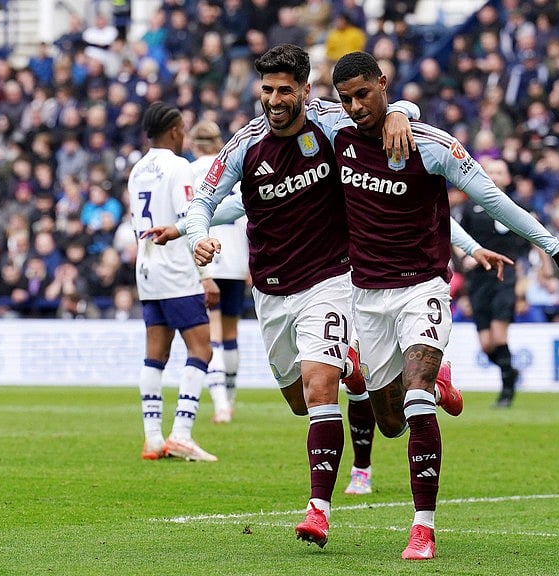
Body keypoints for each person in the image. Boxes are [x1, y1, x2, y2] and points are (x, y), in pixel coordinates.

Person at [329, 51, 559, 559]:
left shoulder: (433, 147)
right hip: (366, 294)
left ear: (382, 83)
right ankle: (440, 379)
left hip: (422, 286)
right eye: (347, 99)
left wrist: (555, 248)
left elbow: (494, 199)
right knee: (388, 422)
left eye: (365, 94)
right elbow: (281, 123)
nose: (357, 106)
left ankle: (422, 527)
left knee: (416, 395)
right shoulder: (335, 133)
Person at [182, 45, 426, 549]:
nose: (273, 99)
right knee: (298, 401)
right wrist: (195, 236)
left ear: (305, 90)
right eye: (267, 90)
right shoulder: (245, 144)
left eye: (284, 90)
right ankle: (355, 365)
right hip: (272, 291)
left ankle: (318, 510)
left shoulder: (332, 124)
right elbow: (203, 201)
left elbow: (378, 107)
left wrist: (402, 110)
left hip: (331, 279)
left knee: (319, 391)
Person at [129, 101, 218, 463]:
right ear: (174, 130)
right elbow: (187, 221)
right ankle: (181, 433)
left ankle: (152, 438)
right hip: (177, 271)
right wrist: (205, 275)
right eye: (182, 128)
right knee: (202, 350)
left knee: (156, 355)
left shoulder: (137, 170)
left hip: (146, 269)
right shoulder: (179, 167)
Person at [456, 157, 533, 409]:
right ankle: (510, 371)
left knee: (499, 336)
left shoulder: (516, 206)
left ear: (508, 178)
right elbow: (457, 238)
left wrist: (542, 271)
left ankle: (506, 392)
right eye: (491, 171)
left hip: (504, 276)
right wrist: (465, 257)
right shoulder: (470, 208)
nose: (495, 175)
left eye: (500, 171)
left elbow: (534, 237)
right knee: (486, 344)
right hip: (478, 278)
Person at [188, 120, 250, 425]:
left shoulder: (191, 172)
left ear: (193, 143)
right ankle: (231, 395)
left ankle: (221, 404)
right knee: (230, 333)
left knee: (211, 331)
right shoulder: (233, 167)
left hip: (206, 256)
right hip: (237, 257)